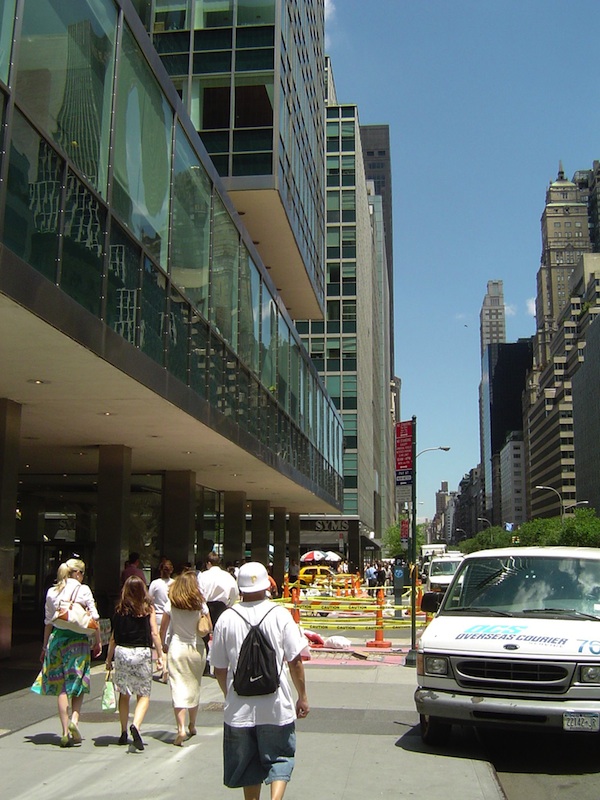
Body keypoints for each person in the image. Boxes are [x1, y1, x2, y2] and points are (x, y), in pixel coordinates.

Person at [211, 561, 309, 800]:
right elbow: (295, 661)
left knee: (248, 767)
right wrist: (302, 696)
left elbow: (219, 669)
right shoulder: (280, 615)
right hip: (276, 706)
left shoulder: (226, 618)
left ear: (240, 588)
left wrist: (229, 695)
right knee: (281, 757)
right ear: (267, 585)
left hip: (239, 710)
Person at [40, 558, 102, 747]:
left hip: (57, 640)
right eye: (82, 573)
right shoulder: (83, 590)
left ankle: (65, 730)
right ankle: (75, 721)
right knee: (78, 682)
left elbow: (48, 622)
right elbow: (95, 617)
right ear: (78, 573)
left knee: (62, 688)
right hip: (78, 642)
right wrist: (98, 641)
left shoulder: (52, 592)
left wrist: (44, 647)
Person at [105, 575, 164, 750]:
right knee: (143, 693)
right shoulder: (148, 609)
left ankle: (123, 731)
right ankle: (136, 726)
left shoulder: (119, 609)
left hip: (122, 652)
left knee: (124, 693)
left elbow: (113, 638)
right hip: (142, 652)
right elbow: (154, 633)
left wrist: (109, 660)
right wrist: (160, 655)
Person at [159, 570, 209, 745]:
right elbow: (208, 626)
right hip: (197, 648)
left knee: (178, 687)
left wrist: (163, 645)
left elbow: (163, 627)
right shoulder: (201, 604)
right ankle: (192, 725)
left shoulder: (171, 603)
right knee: (194, 685)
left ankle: (180, 728)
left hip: (177, 646)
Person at [198, 552, 240, 674]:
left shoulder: (203, 576)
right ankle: (220, 667)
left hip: (206, 606)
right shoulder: (227, 576)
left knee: (204, 636)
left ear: (208, 563)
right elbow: (235, 592)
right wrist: (229, 605)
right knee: (220, 638)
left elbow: (199, 592)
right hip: (222, 607)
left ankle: (205, 666)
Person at [149, 559, 174, 681]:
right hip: (170, 615)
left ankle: (163, 668)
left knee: (159, 644)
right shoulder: (174, 584)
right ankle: (166, 667)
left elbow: (149, 599)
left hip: (157, 615)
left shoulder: (155, 584)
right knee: (166, 644)